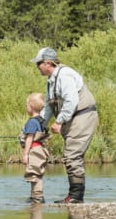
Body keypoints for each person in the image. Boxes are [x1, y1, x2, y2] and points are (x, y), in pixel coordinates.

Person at [31, 47, 98, 204]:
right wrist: (40, 123)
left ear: (48, 63)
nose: (37, 67)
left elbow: (71, 101)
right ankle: (75, 195)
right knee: (71, 156)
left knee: (72, 155)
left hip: (83, 116)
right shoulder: (51, 80)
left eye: (38, 63)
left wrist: (59, 121)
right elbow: (49, 105)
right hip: (73, 118)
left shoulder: (65, 75)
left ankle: (76, 196)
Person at [20, 92, 50, 205]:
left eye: (26, 105)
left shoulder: (32, 122)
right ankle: (34, 196)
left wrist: (25, 154)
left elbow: (29, 138)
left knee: (35, 174)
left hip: (34, 151)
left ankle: (38, 197)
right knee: (36, 174)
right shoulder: (41, 120)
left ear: (31, 106)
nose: (26, 107)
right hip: (41, 150)